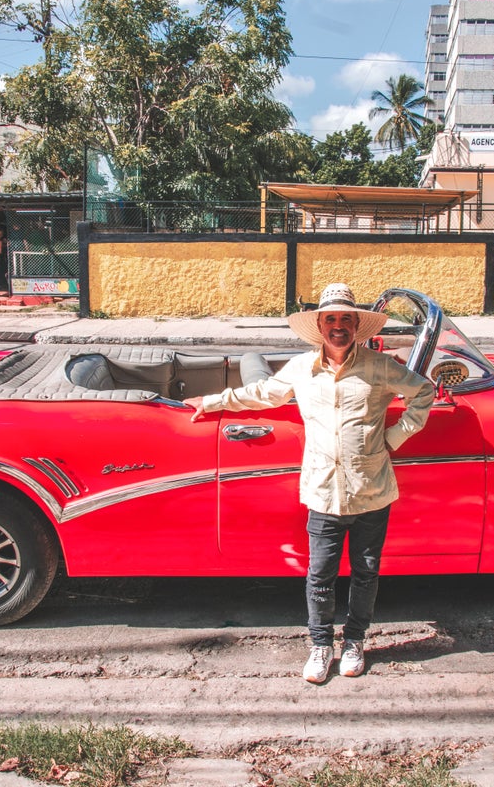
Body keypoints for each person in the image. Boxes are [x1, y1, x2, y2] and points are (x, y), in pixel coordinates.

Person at [184, 283, 434, 683]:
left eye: (346, 319)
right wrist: (211, 402)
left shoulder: (378, 366)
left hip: (371, 487)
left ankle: (354, 641)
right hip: (322, 488)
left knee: (366, 570)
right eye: (331, 319)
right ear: (320, 326)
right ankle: (321, 645)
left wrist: (394, 438)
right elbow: (263, 393)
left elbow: (424, 392)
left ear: (357, 326)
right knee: (320, 573)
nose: (339, 326)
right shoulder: (302, 368)